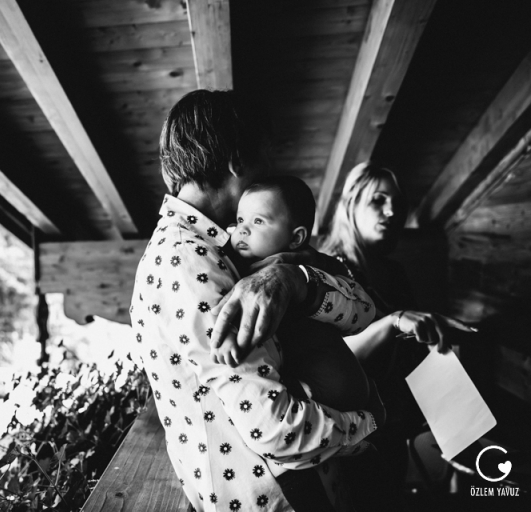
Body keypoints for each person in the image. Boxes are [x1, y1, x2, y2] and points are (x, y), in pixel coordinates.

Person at [131, 90, 384, 512]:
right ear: (237, 162)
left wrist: (296, 279)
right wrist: (369, 425)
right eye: (267, 156)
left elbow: (367, 308)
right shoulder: (187, 263)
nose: (271, 170)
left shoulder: (232, 245)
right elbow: (275, 429)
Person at [318, 162, 476, 493]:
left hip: (395, 426)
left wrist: (460, 430)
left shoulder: (394, 272)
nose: (392, 211)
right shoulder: (326, 270)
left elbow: (413, 353)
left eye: (398, 204)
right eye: (378, 200)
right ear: (350, 205)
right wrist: (392, 322)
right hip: (349, 435)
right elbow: (331, 363)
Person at [215, 176, 370, 414]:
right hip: (286, 375)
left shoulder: (312, 263)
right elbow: (228, 305)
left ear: (296, 238)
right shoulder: (229, 261)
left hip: (327, 374)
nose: (243, 229)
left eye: (258, 221)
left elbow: (360, 302)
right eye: (240, 219)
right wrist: (225, 335)